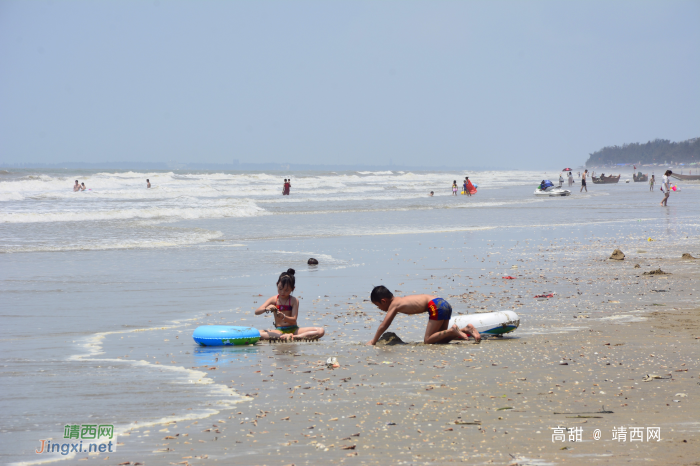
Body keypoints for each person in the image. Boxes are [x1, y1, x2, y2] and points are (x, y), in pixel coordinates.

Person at [366, 286, 480, 345]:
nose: (379, 309)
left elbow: (384, 325)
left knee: (427, 340)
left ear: (384, 301)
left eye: (378, 305)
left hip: (434, 305)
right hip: (443, 302)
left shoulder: (395, 304)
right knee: (440, 340)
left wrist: (373, 341)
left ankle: (452, 330)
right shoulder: (400, 300)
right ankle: (466, 329)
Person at [255, 269, 324, 341]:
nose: (282, 292)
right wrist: (266, 309)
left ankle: (296, 337)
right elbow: (256, 312)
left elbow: (294, 320)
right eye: (280, 288)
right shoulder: (273, 299)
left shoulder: (294, 300)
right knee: (258, 333)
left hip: (294, 329)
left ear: (292, 289)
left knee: (320, 331)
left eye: (286, 290)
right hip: (279, 330)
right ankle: (284, 336)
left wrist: (283, 317)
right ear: (277, 284)